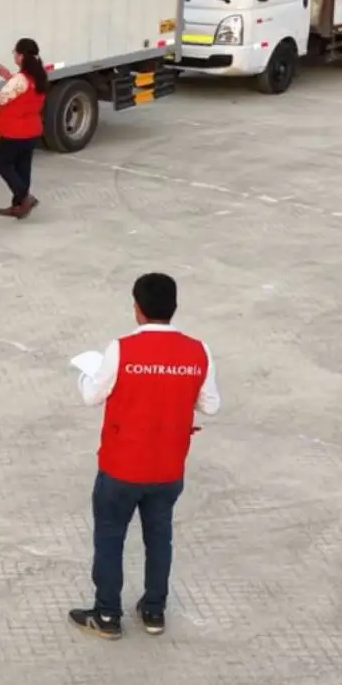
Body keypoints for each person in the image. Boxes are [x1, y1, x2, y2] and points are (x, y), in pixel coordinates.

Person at [68, 272, 221, 640]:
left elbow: (92, 395)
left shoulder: (121, 348)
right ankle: (154, 610)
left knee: (109, 537)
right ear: (175, 308)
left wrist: (85, 375)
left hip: (121, 466)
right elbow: (210, 405)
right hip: (168, 467)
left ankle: (107, 614)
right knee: (159, 536)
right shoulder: (198, 350)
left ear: (136, 309)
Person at [0, 37, 50, 219]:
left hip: (15, 131)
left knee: (2, 164)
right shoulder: (39, 76)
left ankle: (24, 197)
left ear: (21, 56)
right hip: (32, 130)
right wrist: (7, 76)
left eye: (14, 52)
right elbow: (22, 88)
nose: (13, 55)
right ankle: (19, 205)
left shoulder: (21, 79)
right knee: (23, 166)